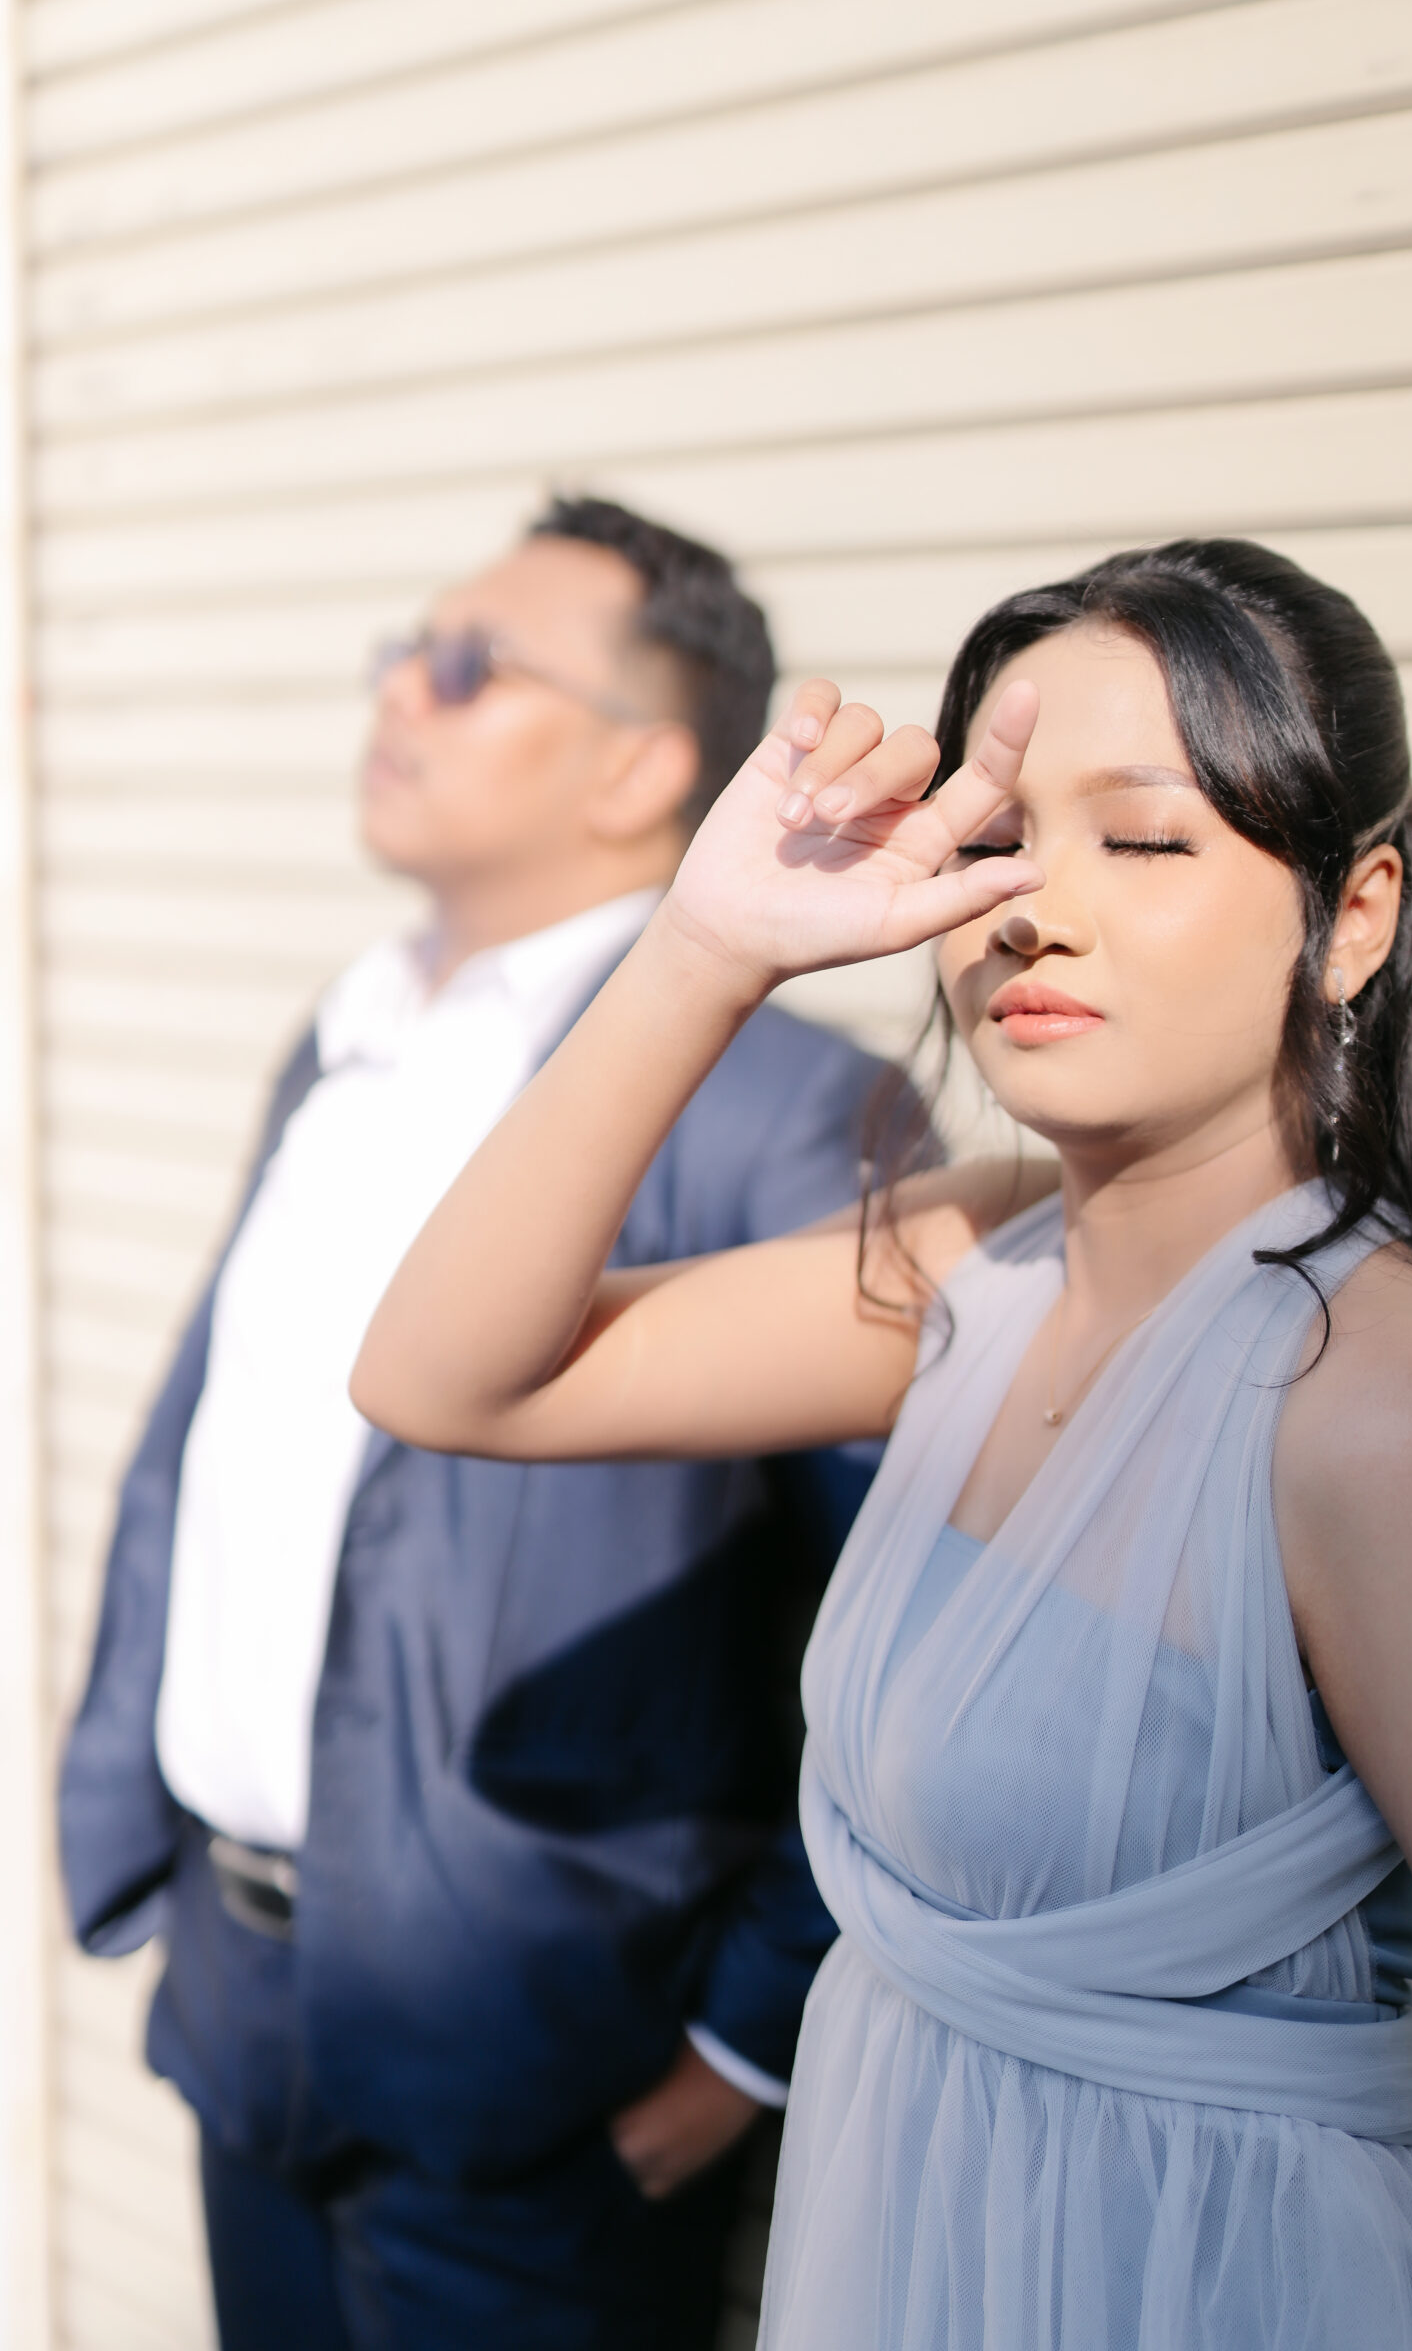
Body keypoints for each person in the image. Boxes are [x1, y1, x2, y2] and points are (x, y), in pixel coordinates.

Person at [354, 538, 1412, 2351]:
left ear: (1355, 915)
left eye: (1142, 839)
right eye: (994, 839)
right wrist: (705, 948)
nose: (1029, 910)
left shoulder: (1373, 1398)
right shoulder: (969, 1261)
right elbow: (446, 1379)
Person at [60, 495, 909, 2351]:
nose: (401, 692)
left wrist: (744, 2039)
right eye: (406, 651)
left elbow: (904, 1615)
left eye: (468, 666)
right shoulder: (347, 1034)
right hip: (245, 2008)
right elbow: (212, 1444)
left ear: (645, 768)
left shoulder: (784, 1111)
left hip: (547, 2080)